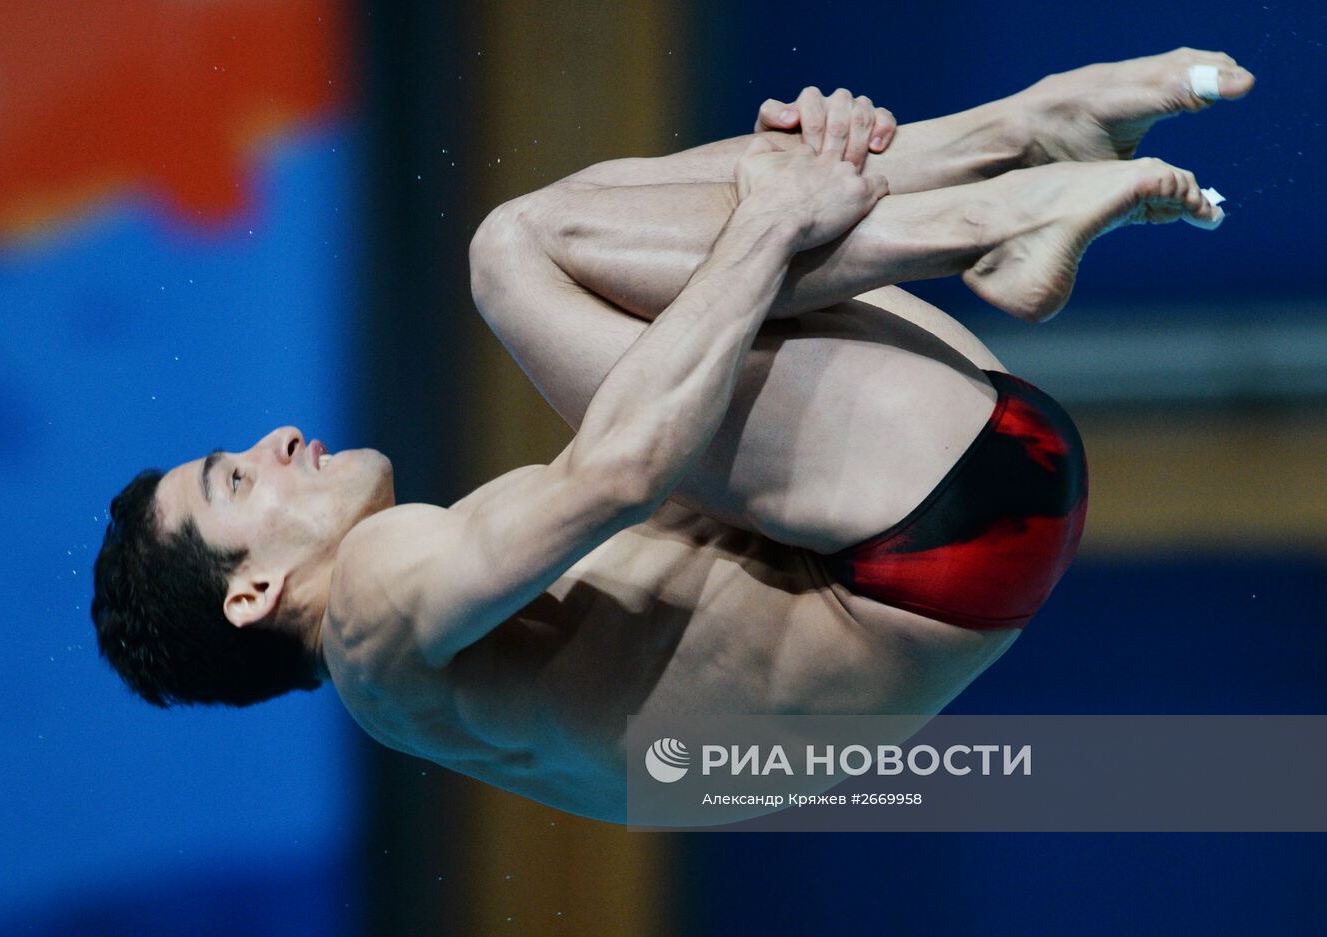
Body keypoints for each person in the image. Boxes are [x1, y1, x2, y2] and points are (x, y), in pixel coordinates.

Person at [92, 48, 1252, 820]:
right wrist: (769, 218)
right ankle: (998, 186)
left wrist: (776, 187)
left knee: (607, 236)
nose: (281, 436)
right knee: (515, 250)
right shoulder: (371, 606)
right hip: (919, 529)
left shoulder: (433, 680)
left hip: (958, 525)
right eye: (236, 479)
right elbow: (624, 469)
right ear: (251, 594)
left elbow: (675, 504)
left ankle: (1020, 146)